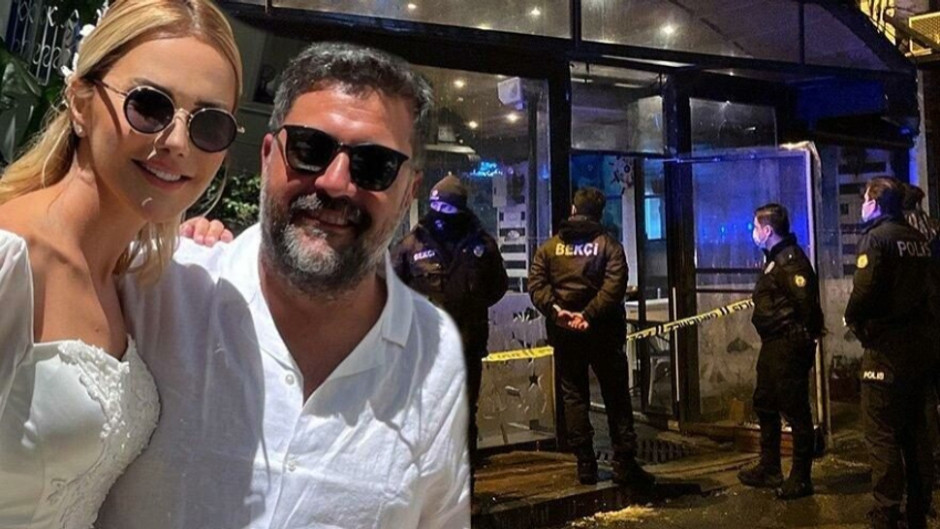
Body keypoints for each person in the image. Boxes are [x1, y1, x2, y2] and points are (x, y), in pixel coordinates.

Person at [97, 42, 469, 529]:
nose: (335, 183)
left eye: (374, 165)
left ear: (408, 192)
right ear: (268, 155)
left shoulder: (435, 360)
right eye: (310, 149)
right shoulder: (155, 286)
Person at [0, 1, 242, 527]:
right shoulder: (12, 259)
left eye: (209, 124)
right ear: (80, 101)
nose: (177, 143)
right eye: (149, 106)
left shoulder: (129, 281)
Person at [527, 186, 654, 489]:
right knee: (616, 396)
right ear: (600, 213)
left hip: (565, 334)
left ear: (573, 209)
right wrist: (589, 314)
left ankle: (585, 464)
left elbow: (537, 284)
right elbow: (615, 286)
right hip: (604, 332)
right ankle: (624, 463)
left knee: (573, 395)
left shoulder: (549, 248)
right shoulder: (609, 246)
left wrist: (557, 310)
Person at [391, 173, 508, 479]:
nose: (441, 215)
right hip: (424, 350)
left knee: (463, 415)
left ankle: (462, 486)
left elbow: (497, 285)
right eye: (437, 207)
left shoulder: (480, 244)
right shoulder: (411, 245)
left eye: (448, 208)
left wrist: (471, 304)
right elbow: (390, 291)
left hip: (467, 345)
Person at [845, 177, 936, 529]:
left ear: (877, 204)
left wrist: (854, 320)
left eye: (866, 200)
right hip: (919, 349)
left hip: (885, 349)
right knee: (916, 433)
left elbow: (864, 292)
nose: (862, 206)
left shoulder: (876, 239)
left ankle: (886, 510)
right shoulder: (918, 240)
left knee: (881, 432)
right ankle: (918, 508)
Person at [736, 203, 823, 500]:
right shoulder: (774, 259)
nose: (754, 232)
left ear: (768, 230)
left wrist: (800, 335)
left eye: (756, 227)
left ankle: (801, 477)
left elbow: (806, 305)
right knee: (765, 402)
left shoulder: (790, 261)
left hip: (788, 344)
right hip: (773, 344)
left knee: (795, 409)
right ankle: (769, 466)